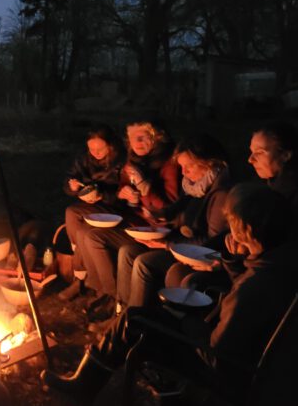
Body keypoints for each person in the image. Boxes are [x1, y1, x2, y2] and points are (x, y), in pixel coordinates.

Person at [43, 183, 298, 406]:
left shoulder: (254, 288)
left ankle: (85, 386)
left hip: (227, 376)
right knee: (153, 315)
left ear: (244, 231)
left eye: (232, 225)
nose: (229, 232)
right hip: (261, 371)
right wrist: (234, 263)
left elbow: (215, 356)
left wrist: (185, 318)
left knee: (134, 320)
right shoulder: (282, 263)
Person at [77, 121, 181, 318]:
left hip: (159, 231)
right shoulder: (132, 163)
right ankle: (107, 294)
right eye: (133, 138)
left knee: (124, 250)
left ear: (156, 137)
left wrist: (143, 187)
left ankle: (122, 312)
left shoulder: (170, 164)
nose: (137, 142)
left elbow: (167, 208)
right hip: (136, 224)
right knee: (87, 233)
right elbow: (122, 195)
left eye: (143, 137)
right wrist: (124, 195)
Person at [118, 134, 232, 309]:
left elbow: (210, 245)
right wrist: (154, 215)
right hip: (179, 242)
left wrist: (167, 244)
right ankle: (122, 311)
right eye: (182, 167)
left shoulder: (221, 194)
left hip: (195, 256)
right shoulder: (194, 185)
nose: (184, 173)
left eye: (189, 166)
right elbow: (172, 211)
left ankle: (136, 320)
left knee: (143, 263)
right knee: (127, 251)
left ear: (210, 162)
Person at [57, 124, 125, 301]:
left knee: (82, 230)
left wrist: (102, 194)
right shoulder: (85, 160)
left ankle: (93, 285)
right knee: (72, 212)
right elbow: (70, 179)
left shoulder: (121, 162)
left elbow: (123, 194)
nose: (95, 152)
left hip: (115, 208)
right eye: (91, 148)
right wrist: (72, 187)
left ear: (111, 145)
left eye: (100, 148)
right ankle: (80, 278)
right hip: (95, 206)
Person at [246, 121, 298, 242]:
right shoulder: (270, 189)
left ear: (285, 155)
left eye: (259, 152)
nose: (250, 159)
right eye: (252, 152)